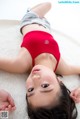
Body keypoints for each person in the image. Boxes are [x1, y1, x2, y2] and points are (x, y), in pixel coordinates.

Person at [0, 2, 80, 119]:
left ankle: (29, 11)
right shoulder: (62, 66)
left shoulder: (22, 64)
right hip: (47, 27)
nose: (35, 79)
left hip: (30, 20)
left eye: (31, 89)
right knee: (49, 4)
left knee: (47, 5)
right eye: (45, 85)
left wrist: (3, 113)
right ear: (60, 82)